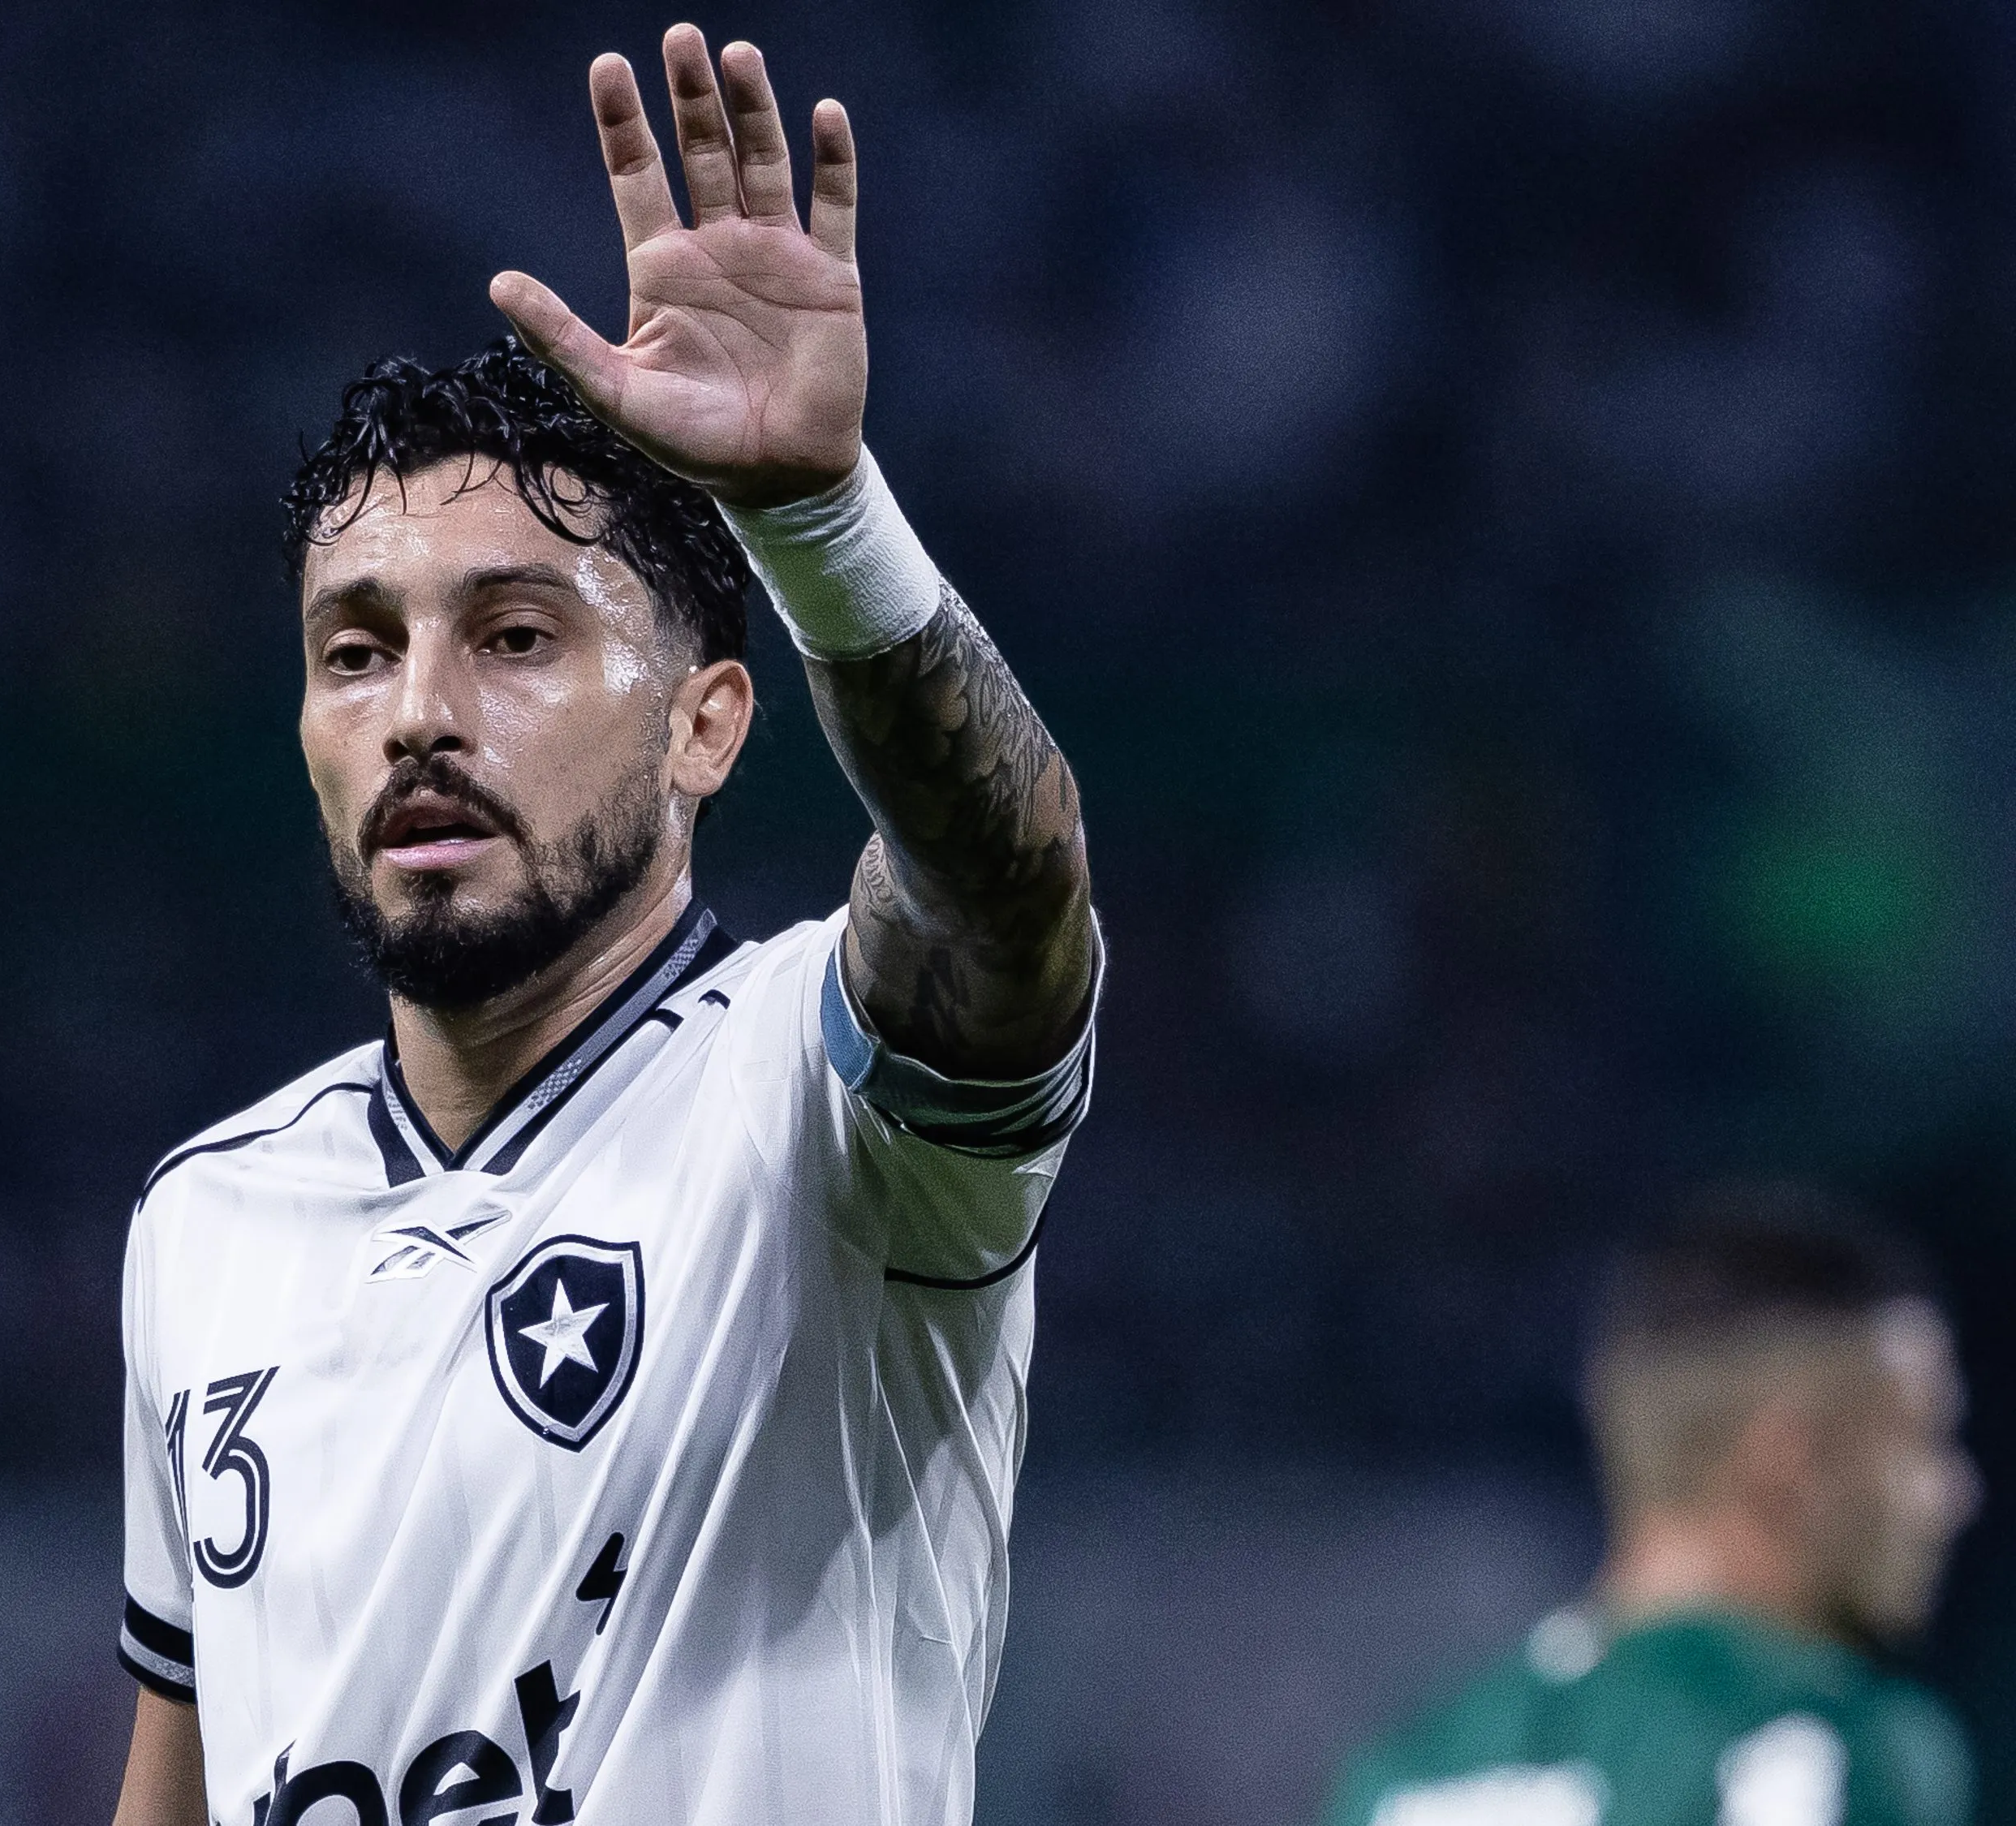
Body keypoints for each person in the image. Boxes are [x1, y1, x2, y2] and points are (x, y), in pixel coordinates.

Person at [106, 24, 1101, 1826]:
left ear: (705, 723)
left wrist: (821, 526)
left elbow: (1004, 891)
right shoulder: (205, 1222)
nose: (416, 710)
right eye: (355, 651)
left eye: (511, 638)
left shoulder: (818, 1099)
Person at [1325, 1187, 1983, 1826]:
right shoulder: (1825, 1744)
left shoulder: (1405, 1770)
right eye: (1922, 1442)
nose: (1957, 1496)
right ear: (1792, 1460)